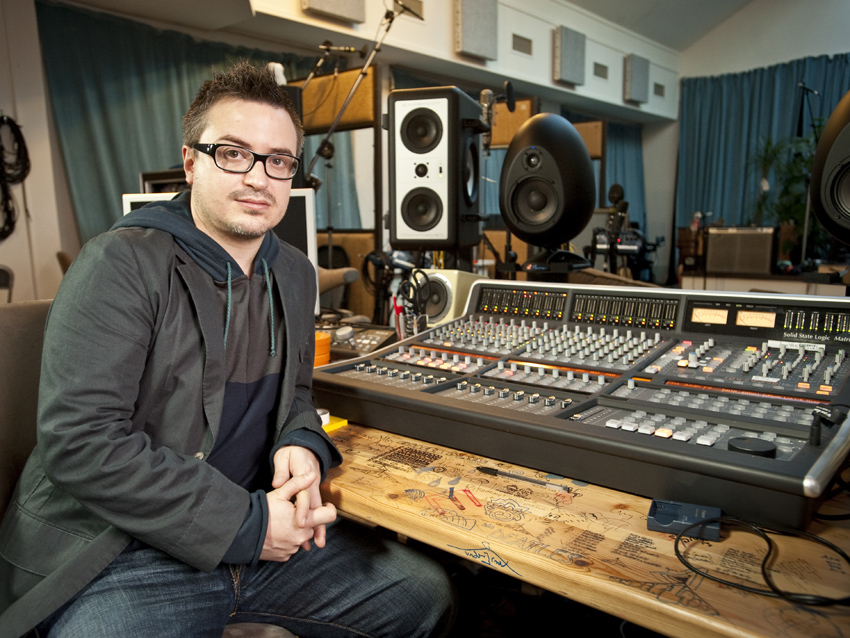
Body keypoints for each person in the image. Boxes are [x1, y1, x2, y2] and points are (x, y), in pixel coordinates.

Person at [0, 61, 455, 638]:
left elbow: (293, 391)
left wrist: (300, 442)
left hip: (260, 538)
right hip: (125, 548)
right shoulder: (119, 264)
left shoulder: (292, 272)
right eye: (233, 153)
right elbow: (81, 443)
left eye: (278, 161)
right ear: (191, 162)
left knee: (420, 597)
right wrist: (248, 524)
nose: (259, 178)